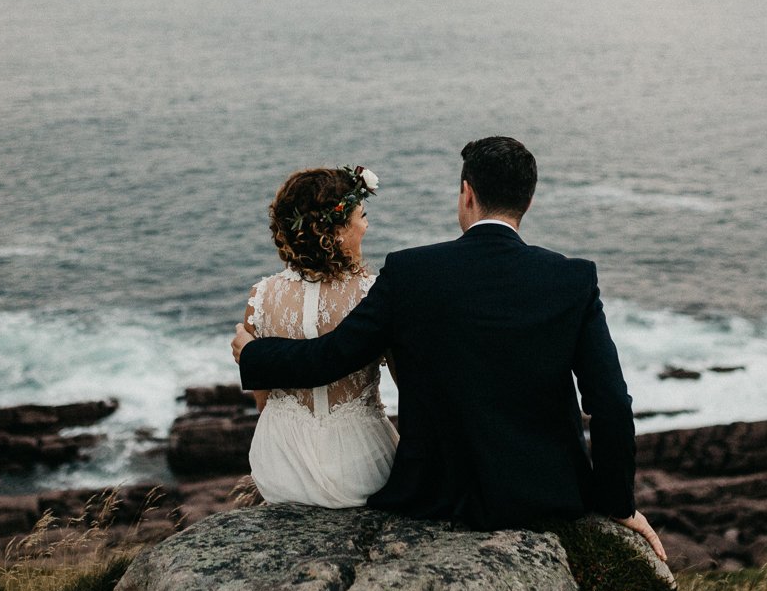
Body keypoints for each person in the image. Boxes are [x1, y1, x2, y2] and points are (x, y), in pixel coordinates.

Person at [232, 137, 664, 559]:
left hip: (436, 494)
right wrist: (617, 504)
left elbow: (331, 357)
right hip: (545, 493)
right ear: (527, 203)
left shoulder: (410, 272)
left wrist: (253, 353)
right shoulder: (573, 279)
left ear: (466, 193)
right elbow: (610, 403)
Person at [241, 164, 398, 507]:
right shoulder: (375, 296)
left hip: (279, 463)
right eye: (362, 215)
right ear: (337, 232)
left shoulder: (261, 297)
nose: (366, 225)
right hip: (362, 465)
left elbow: (262, 400)